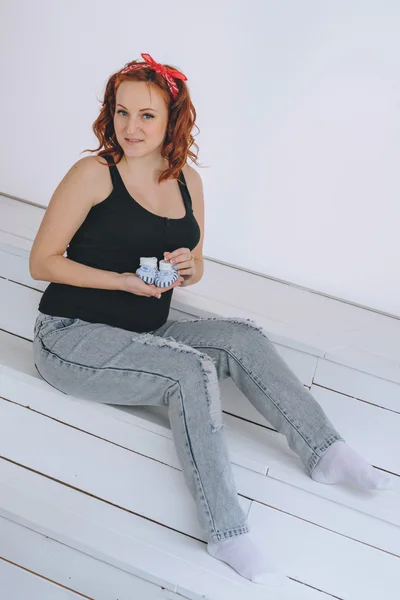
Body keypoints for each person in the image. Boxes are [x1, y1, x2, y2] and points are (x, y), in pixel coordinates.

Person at [29, 52, 392, 587]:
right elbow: (42, 262)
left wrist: (184, 269)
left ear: (173, 119)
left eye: (147, 115)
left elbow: (194, 267)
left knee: (242, 337)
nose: (130, 127)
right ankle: (228, 532)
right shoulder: (93, 173)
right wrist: (124, 281)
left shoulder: (187, 182)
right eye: (121, 112)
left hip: (145, 330)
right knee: (189, 371)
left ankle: (325, 452)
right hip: (71, 337)